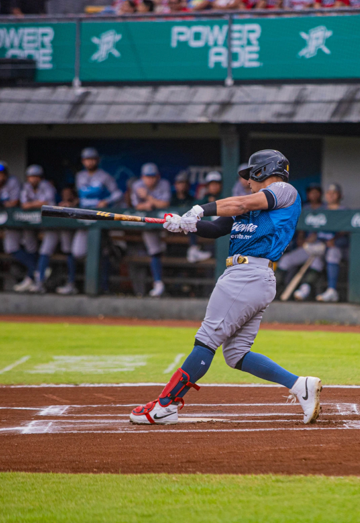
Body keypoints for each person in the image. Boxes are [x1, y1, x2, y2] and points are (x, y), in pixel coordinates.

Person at [130, 150, 322, 425]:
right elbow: (217, 227)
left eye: (250, 176)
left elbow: (240, 203)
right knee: (236, 354)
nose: (247, 182)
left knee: (207, 339)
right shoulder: (250, 206)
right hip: (251, 277)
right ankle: (299, 385)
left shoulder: (283, 190)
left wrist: (198, 209)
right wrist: (186, 225)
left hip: (248, 275)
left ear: (263, 171)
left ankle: (165, 405)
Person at [56, 147, 122, 295]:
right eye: (87, 159)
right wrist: (71, 203)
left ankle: (104, 286)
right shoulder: (79, 176)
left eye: (92, 159)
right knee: (77, 252)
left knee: (103, 252)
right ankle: (74, 283)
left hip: (99, 217)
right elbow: (80, 197)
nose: (90, 162)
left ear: (97, 160)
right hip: (83, 216)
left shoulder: (104, 176)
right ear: (83, 161)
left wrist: (107, 201)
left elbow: (118, 193)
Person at [0, 161, 39, 292]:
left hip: (24, 219)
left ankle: (35, 274)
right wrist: (1, 203)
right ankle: (37, 269)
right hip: (9, 222)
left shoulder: (13, 182)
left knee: (31, 246)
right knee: (10, 247)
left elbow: (14, 203)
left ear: (6, 174)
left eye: (1, 173)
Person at [276, 183, 324, 301]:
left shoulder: (326, 208)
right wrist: (301, 238)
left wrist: (317, 235)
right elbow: (300, 229)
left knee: (316, 262)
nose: (313, 194)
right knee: (286, 260)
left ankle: (304, 289)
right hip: (306, 247)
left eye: (316, 191)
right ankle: (273, 289)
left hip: (322, 247)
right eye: (311, 192)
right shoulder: (304, 208)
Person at [131, 163, 171, 298]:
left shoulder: (164, 184)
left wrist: (148, 197)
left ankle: (161, 283)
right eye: (147, 177)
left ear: (157, 177)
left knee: (167, 248)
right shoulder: (137, 185)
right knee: (155, 251)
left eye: (153, 176)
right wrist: (147, 204)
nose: (150, 179)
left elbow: (165, 204)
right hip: (148, 223)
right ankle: (158, 283)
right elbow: (137, 205)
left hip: (167, 223)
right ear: (142, 177)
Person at [18, 164, 59, 293]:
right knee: (28, 246)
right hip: (32, 224)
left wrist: (32, 204)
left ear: (41, 178)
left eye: (36, 177)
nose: (33, 179)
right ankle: (37, 272)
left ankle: (38, 282)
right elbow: (24, 205)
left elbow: (50, 203)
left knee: (45, 251)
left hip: (51, 224)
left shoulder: (47, 187)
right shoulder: (26, 187)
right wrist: (38, 203)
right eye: (31, 177)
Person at [314, 184, 348, 303]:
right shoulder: (320, 210)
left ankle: (332, 290)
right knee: (313, 258)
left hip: (338, 248)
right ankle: (305, 288)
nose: (331, 195)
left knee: (333, 253)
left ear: (340, 195)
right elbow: (312, 230)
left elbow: (347, 232)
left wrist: (336, 239)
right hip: (320, 247)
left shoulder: (344, 211)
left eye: (334, 192)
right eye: (329, 192)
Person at [186, 171, 221, 263]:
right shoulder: (204, 199)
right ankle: (193, 249)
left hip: (221, 234)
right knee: (191, 220)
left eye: (216, 183)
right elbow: (193, 208)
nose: (214, 186)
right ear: (207, 186)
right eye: (211, 184)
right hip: (206, 233)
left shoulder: (224, 197)